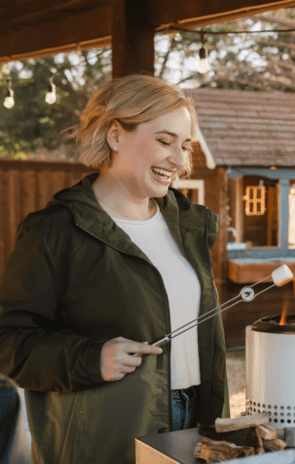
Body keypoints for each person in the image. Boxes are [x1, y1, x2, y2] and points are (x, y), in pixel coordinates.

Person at [0, 74, 229, 464]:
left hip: (198, 420)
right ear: (116, 135)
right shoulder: (54, 231)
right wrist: (92, 358)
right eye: (164, 141)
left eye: (185, 145)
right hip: (104, 437)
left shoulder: (190, 226)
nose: (178, 159)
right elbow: (9, 344)